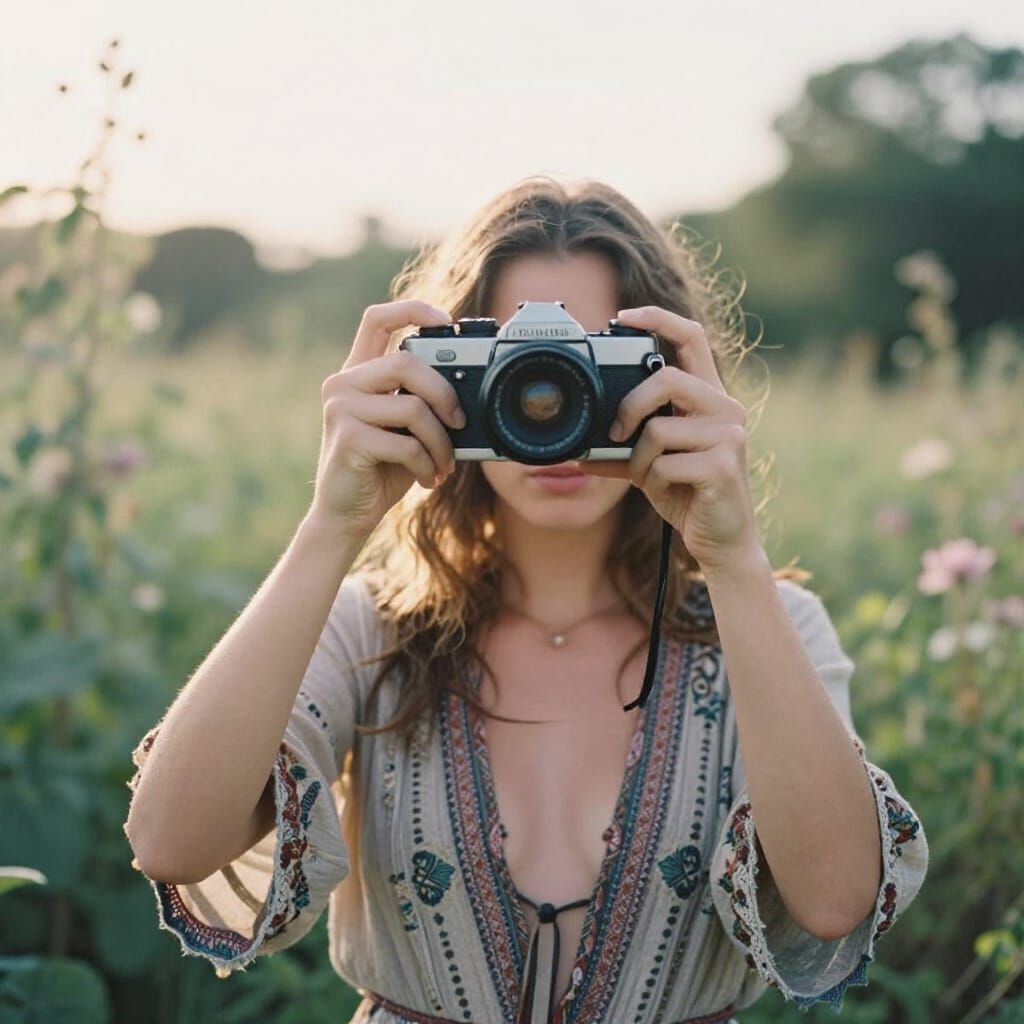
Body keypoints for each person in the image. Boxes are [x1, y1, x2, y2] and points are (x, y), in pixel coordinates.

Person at [123, 176, 929, 1024]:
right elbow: (171, 843)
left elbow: (834, 903)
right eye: (517, 367)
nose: (551, 402)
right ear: (440, 369)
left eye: (593, 362)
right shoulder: (370, 626)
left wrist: (732, 557)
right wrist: (333, 523)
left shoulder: (768, 626)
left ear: (676, 376)